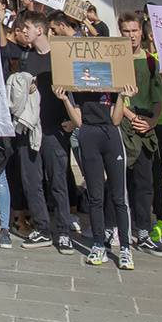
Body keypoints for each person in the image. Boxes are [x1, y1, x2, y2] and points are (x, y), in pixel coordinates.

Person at [9, 16, 74, 250]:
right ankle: (43, 228)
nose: (23, 32)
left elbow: (73, 88)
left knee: (57, 181)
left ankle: (64, 230)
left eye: (26, 28)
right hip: (30, 127)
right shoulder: (26, 58)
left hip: (54, 129)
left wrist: (72, 120)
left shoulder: (60, 56)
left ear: (39, 29)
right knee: (31, 181)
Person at [62, 70, 131, 269]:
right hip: (89, 137)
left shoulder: (111, 83)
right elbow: (78, 121)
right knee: (95, 196)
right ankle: (99, 243)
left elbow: (116, 120)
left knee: (118, 196)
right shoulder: (77, 86)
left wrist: (121, 96)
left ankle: (125, 247)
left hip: (111, 138)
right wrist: (65, 99)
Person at [117, 12, 162, 256]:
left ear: (141, 32)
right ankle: (122, 228)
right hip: (124, 124)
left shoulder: (151, 61)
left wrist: (150, 121)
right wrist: (130, 116)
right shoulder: (115, 59)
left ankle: (144, 231)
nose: (130, 36)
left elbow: (158, 97)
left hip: (146, 128)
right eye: (126, 31)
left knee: (145, 181)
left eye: (134, 31)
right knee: (122, 182)